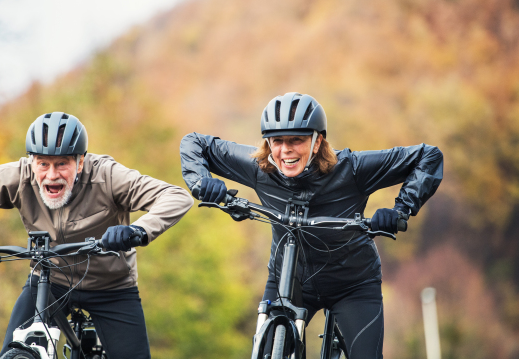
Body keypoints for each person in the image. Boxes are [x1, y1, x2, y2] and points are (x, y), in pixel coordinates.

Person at [180, 92, 443, 359]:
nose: (286, 150)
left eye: (297, 140)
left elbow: (428, 157)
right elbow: (194, 143)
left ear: (317, 142)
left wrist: (401, 210)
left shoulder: (351, 170)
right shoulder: (259, 169)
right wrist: (202, 182)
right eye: (277, 141)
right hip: (288, 280)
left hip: (352, 285)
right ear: (268, 143)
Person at [0, 112, 194, 358]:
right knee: (14, 354)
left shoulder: (108, 176)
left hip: (111, 286)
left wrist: (138, 230)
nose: (51, 175)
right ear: (32, 161)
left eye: (62, 164)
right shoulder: (20, 177)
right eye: (43, 164)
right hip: (49, 281)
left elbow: (176, 196)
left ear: (80, 163)